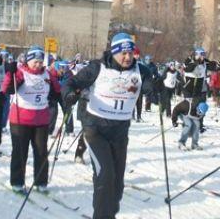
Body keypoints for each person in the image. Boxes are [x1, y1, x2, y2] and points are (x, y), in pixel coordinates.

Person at [63, 33, 153, 218]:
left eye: (131, 53)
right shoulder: (97, 68)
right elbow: (70, 83)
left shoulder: (141, 71)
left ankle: (109, 214)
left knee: (117, 183)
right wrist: (69, 94)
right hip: (96, 129)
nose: (128, 58)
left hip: (120, 132)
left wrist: (152, 87)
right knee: (105, 174)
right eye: (123, 53)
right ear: (114, 52)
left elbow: (152, 83)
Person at [3, 46, 61, 193]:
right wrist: (10, 72)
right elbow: (7, 89)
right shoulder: (21, 73)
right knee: (20, 151)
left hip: (41, 119)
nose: (38, 64)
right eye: (35, 61)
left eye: (41, 61)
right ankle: (17, 182)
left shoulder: (47, 74)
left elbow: (58, 91)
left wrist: (69, 97)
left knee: (41, 151)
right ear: (28, 61)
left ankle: (40, 181)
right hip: (20, 120)